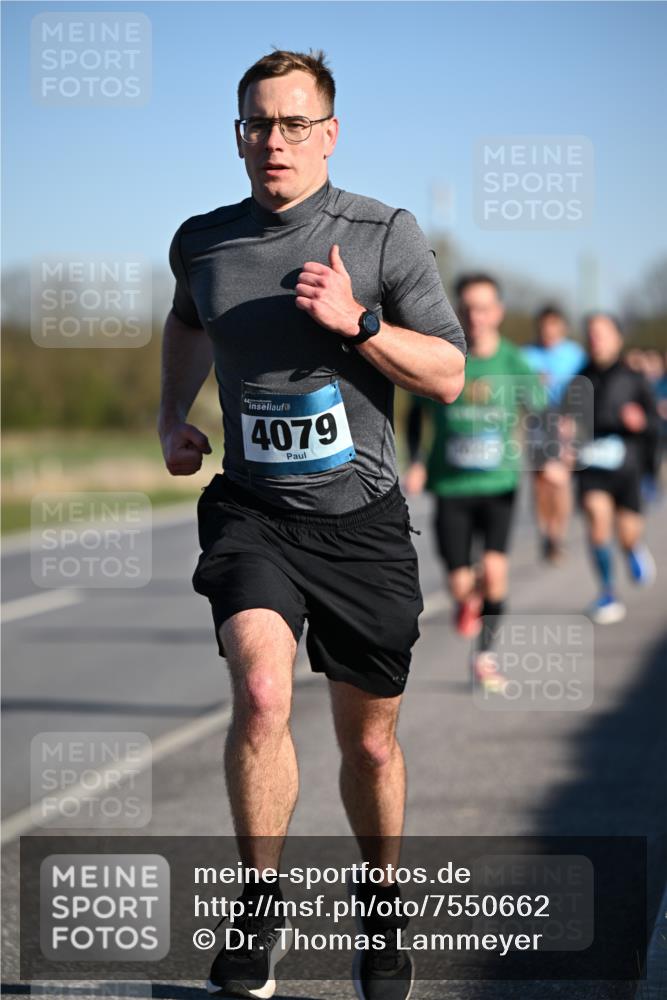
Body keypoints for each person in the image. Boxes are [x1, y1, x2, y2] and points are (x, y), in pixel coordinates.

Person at [158, 49, 466, 1000]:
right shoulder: (203, 242)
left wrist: (360, 323)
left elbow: (450, 372)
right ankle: (260, 905)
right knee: (260, 693)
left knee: (369, 743)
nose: (274, 141)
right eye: (258, 123)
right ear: (237, 134)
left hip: (362, 525)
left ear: (328, 133)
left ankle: (380, 898)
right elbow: (188, 323)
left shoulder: (382, 235)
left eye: (294, 124)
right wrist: (173, 414)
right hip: (254, 514)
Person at [405, 274, 545, 693]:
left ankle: (484, 658)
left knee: (497, 574)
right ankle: (468, 599)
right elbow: (415, 414)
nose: (475, 316)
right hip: (451, 486)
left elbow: (540, 413)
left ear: (498, 312)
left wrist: (551, 457)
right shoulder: (443, 355)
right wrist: (415, 461)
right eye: (466, 307)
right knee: (460, 584)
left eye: (483, 308)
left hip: (499, 482)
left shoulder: (514, 362)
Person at [565, 313, 659, 624]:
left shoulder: (634, 378)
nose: (596, 339)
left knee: (627, 533)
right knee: (597, 521)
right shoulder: (578, 379)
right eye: (591, 333)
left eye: (602, 333)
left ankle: (633, 549)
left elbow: (657, 424)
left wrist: (643, 422)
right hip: (592, 465)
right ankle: (607, 591)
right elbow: (563, 421)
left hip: (627, 465)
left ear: (618, 338)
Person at [522, 305, 586, 562]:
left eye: (553, 325)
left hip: (566, 422)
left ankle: (557, 534)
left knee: (560, 480)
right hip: (537, 421)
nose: (548, 331)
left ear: (562, 327)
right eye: (544, 326)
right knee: (540, 482)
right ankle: (545, 531)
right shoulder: (526, 354)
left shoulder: (576, 354)